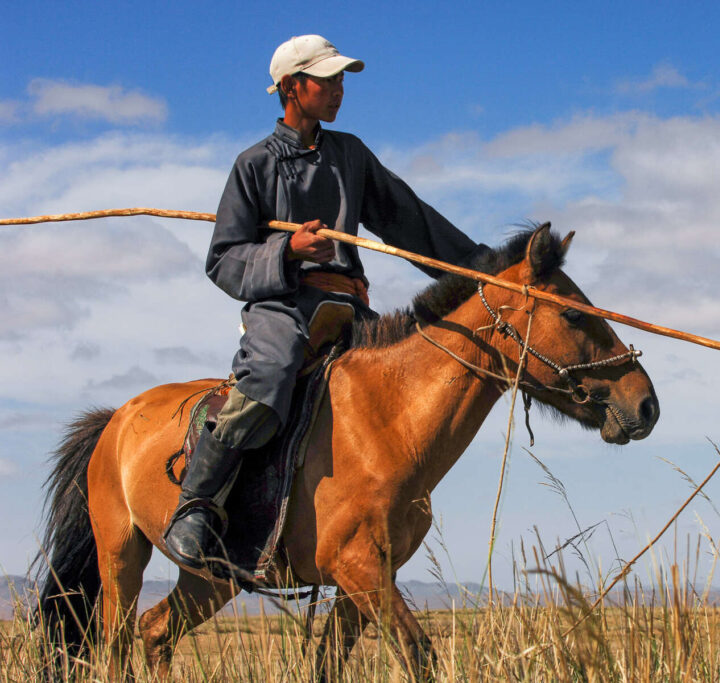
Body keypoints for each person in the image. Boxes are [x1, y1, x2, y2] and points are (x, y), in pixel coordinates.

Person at [163, 35, 489, 570]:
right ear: (291, 87)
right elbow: (223, 259)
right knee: (272, 374)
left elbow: (409, 219)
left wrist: (481, 268)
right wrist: (286, 251)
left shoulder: (350, 155)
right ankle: (197, 504)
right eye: (327, 79)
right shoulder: (253, 165)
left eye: (342, 80)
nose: (339, 89)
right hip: (283, 306)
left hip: (350, 309)